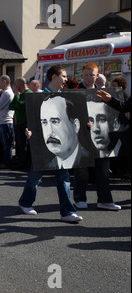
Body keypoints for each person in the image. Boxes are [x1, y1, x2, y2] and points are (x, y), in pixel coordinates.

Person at [18, 65, 83, 223]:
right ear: (54, 76)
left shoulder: (64, 97)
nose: (66, 80)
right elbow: (32, 121)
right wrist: (29, 132)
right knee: (35, 176)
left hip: (61, 146)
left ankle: (67, 211)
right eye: (64, 76)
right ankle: (25, 202)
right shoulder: (39, 96)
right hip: (42, 144)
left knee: (63, 177)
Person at [73, 62, 121, 211]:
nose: (89, 78)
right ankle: (80, 198)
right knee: (82, 170)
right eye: (86, 75)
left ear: (97, 76)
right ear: (82, 76)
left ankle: (105, 200)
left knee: (103, 171)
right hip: (82, 136)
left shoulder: (104, 93)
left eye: (92, 75)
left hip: (102, 137)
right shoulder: (74, 92)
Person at [39, 95, 91, 169]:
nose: (49, 132)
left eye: (55, 122)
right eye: (44, 122)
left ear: (75, 125)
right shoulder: (50, 165)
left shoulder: (88, 159)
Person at [9, 77, 32, 170]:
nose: (14, 86)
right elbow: (11, 106)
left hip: (25, 122)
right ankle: (20, 161)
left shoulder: (28, 93)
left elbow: (20, 104)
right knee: (19, 144)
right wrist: (17, 99)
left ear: (20, 85)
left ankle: (25, 164)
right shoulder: (19, 94)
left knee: (24, 145)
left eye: (16, 84)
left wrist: (17, 95)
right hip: (19, 123)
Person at [0, 75, 15, 169]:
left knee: (6, 144)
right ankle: (6, 162)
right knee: (5, 143)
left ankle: (7, 163)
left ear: (5, 82)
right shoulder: (5, 92)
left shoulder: (7, 93)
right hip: (3, 121)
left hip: (5, 121)